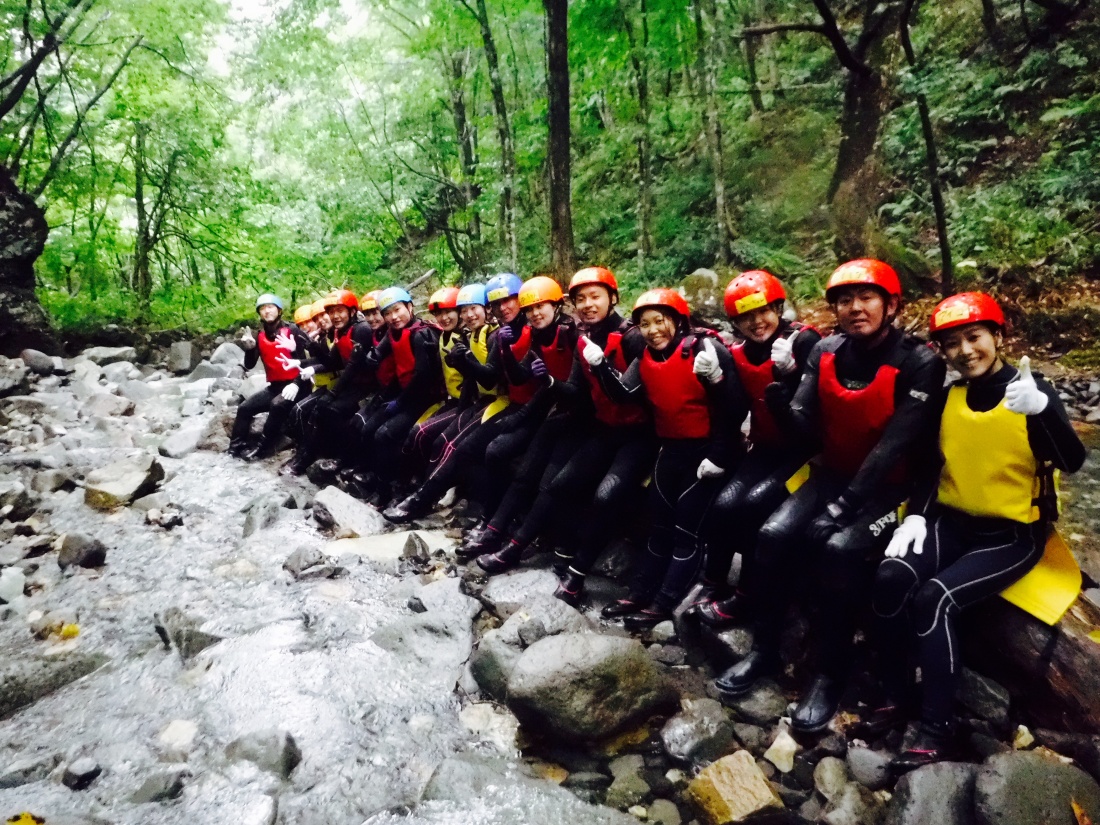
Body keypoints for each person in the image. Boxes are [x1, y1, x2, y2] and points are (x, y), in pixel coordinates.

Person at [713, 258, 946, 734]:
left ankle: (830, 674)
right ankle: (764, 650)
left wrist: (844, 508)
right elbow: (806, 426)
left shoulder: (920, 362)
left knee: (839, 551)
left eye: (866, 299)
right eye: (844, 300)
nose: (855, 308)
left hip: (890, 489)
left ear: (891, 305)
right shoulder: (827, 350)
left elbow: (893, 446)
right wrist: (781, 406)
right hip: (833, 474)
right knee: (774, 534)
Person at [870, 292, 1085, 769]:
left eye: (974, 337)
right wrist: (917, 516)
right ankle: (894, 693)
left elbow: (1072, 461)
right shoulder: (949, 397)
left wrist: (1042, 409)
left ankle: (936, 728)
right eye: (952, 344)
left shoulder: (1032, 388)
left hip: (1013, 534)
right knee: (889, 577)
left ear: (998, 337)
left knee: (934, 597)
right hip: (954, 521)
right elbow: (931, 467)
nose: (965, 351)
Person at [587, 288, 749, 630]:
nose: (652, 330)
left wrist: (716, 382)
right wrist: (601, 366)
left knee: (685, 529)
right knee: (658, 525)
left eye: (660, 321)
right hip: (671, 450)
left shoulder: (705, 348)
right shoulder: (644, 357)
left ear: (676, 321)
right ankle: (640, 593)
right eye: (644, 324)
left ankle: (663, 603)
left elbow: (735, 407)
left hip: (708, 454)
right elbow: (624, 395)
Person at [695, 271, 821, 627]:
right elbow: (735, 408)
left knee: (753, 506)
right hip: (767, 447)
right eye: (745, 317)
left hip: (805, 453)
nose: (757, 322)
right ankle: (712, 581)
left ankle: (746, 596)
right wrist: (716, 380)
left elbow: (819, 407)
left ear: (779, 308)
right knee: (722, 504)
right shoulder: (738, 352)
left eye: (764, 311)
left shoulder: (805, 341)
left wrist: (793, 374)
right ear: (734, 323)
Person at [543, 266, 654, 605]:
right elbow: (577, 389)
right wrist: (549, 384)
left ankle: (577, 574)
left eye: (595, 297)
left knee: (606, 496)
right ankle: (566, 549)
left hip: (640, 434)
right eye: (580, 299)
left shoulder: (634, 336)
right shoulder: (585, 339)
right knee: (562, 484)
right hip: (607, 429)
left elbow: (628, 393)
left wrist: (603, 365)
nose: (588, 305)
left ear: (612, 298)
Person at [473, 275, 588, 574]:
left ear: (557, 305)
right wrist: (507, 352)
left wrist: (547, 382)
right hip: (558, 413)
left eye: (541, 306)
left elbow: (574, 390)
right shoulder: (537, 336)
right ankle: (494, 531)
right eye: (531, 309)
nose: (535, 313)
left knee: (548, 482)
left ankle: (515, 547)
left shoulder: (573, 334)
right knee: (524, 474)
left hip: (585, 420)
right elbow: (523, 377)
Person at [348, 286, 442, 505]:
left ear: (410, 307)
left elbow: (423, 377)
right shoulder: (393, 332)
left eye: (397, 310)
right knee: (369, 428)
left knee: (384, 434)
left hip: (424, 397)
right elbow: (379, 353)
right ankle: (380, 482)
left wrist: (398, 403)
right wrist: (367, 357)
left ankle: (389, 489)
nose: (393, 317)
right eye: (388, 313)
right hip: (405, 394)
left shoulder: (421, 334)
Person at [229, 293, 312, 460]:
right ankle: (235, 447)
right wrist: (250, 349)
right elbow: (250, 365)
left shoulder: (293, 330)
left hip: (298, 386)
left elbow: (305, 361)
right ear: (259, 313)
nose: (266, 311)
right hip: (275, 387)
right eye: (262, 308)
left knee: (277, 405)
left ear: (279, 311)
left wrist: (296, 383)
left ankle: (263, 448)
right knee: (245, 408)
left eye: (270, 307)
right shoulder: (259, 335)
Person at [402, 286, 465, 471]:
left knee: (423, 433)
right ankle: (414, 480)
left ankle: (429, 483)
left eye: (448, 312)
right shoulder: (441, 336)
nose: (443, 318)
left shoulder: (466, 337)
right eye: (439, 314)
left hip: (467, 402)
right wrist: (432, 356)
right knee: (413, 432)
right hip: (448, 400)